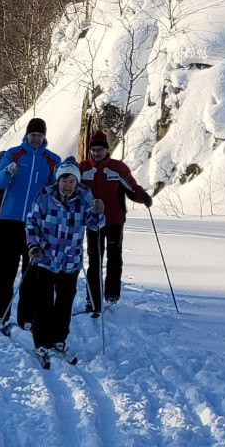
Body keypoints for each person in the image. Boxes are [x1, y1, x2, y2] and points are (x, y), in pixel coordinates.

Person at [26, 156, 104, 357]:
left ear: (76, 182)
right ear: (58, 180)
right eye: (64, 181)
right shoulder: (44, 197)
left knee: (64, 302)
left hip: (71, 261)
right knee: (43, 301)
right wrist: (33, 245)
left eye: (71, 181)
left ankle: (59, 339)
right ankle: (41, 341)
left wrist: (97, 212)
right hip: (45, 258)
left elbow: (95, 225)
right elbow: (31, 222)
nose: (67, 185)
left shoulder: (84, 197)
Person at [0, 117, 60, 331]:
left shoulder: (51, 159)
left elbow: (53, 190)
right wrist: (7, 171)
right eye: (33, 135)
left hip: (35, 224)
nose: (36, 139)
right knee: (5, 271)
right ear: (27, 136)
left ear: (44, 137)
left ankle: (26, 317)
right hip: (9, 220)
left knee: (31, 273)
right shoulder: (14, 154)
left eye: (40, 135)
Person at [79, 130, 152, 315]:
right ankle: (92, 299)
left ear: (106, 150)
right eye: (94, 150)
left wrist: (143, 196)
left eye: (100, 149)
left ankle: (111, 296)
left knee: (114, 258)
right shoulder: (83, 169)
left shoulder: (118, 168)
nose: (97, 153)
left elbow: (131, 188)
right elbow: (71, 188)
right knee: (95, 260)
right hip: (93, 222)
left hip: (114, 220)